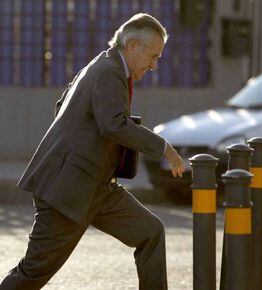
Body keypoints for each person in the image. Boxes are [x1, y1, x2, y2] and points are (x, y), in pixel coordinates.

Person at [0, 13, 184, 290]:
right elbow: (113, 125)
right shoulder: (109, 72)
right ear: (133, 45)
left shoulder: (101, 64)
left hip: (98, 189)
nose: (154, 65)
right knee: (34, 271)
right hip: (68, 192)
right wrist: (165, 148)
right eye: (153, 56)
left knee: (150, 233)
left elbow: (63, 107)